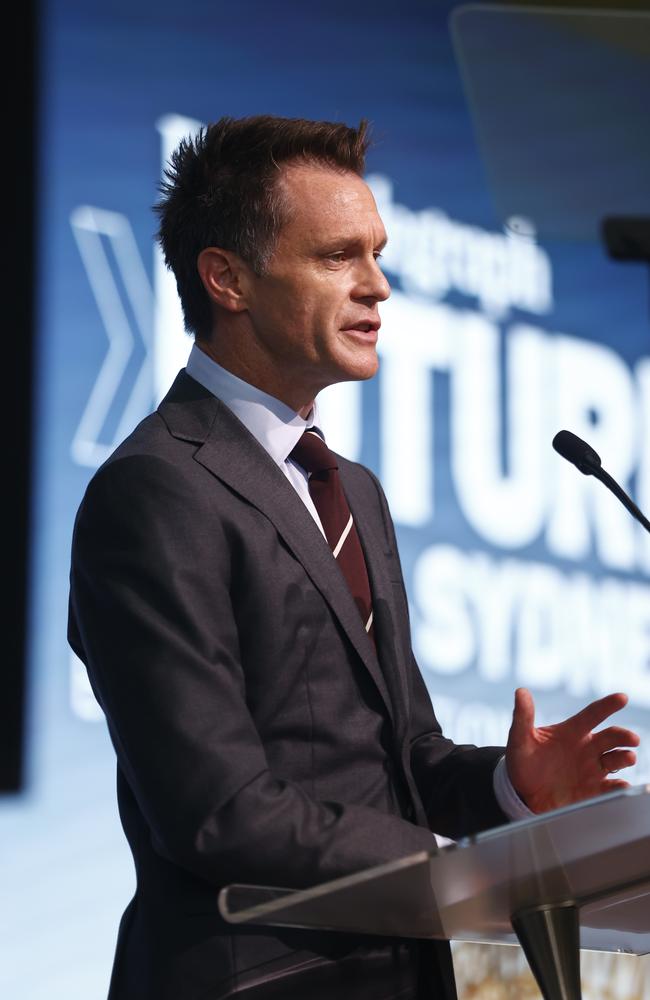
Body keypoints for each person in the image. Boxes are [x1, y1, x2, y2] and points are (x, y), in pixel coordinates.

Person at [68, 115, 639, 1000]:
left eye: (377, 254)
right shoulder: (156, 490)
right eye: (339, 256)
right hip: (255, 979)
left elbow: (401, 753)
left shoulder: (353, 489)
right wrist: (456, 866)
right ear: (226, 278)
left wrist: (505, 787)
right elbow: (217, 812)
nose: (377, 286)